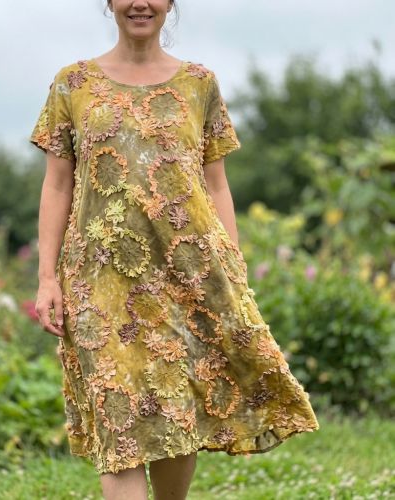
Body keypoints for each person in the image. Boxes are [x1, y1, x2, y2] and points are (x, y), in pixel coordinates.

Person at [30, 1, 320, 499]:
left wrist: (232, 268)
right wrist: (46, 277)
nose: (140, 4)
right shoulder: (72, 84)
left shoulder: (199, 84)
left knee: (175, 405)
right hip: (100, 281)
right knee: (117, 412)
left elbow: (216, 183)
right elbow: (57, 185)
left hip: (187, 276)